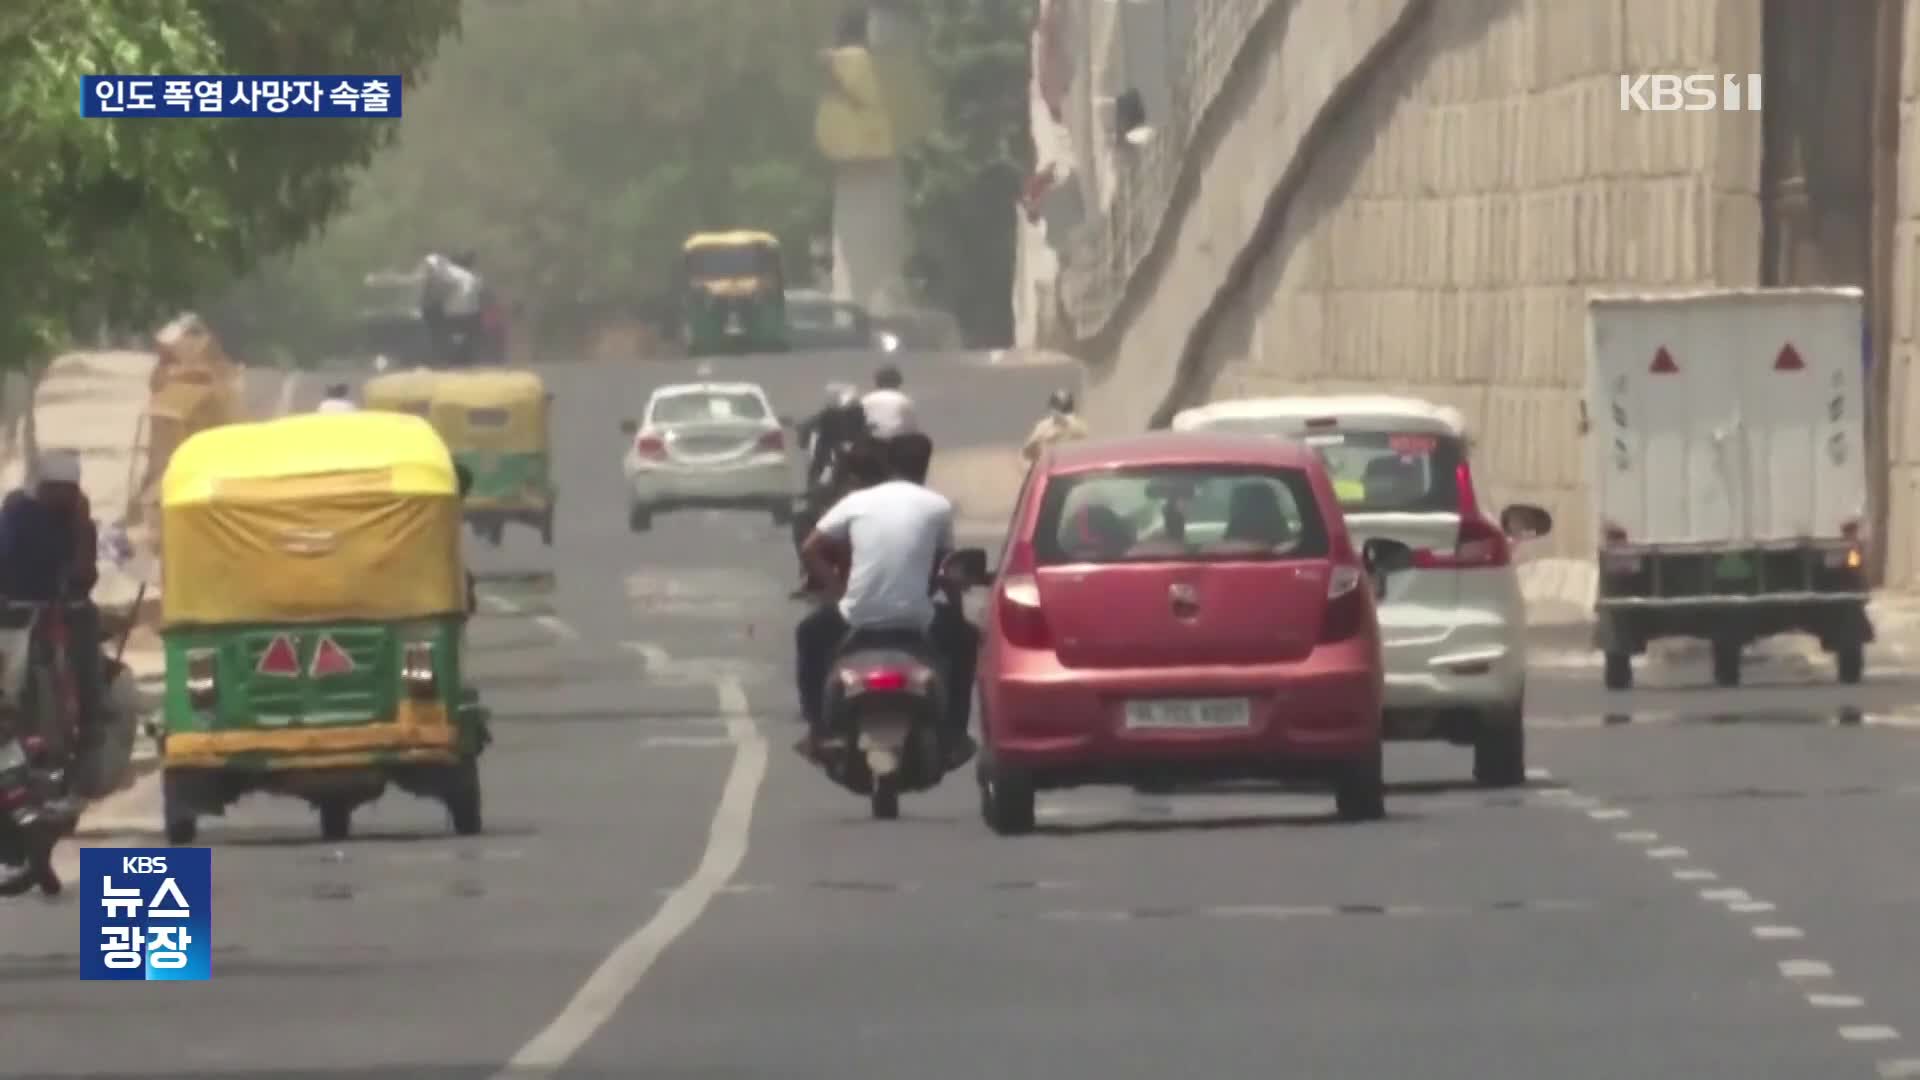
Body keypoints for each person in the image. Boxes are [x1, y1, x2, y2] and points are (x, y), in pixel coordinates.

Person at [793, 431, 976, 768]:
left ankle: (817, 729)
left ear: (889, 463)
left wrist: (838, 591)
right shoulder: (937, 506)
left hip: (855, 615)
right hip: (917, 619)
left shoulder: (856, 502)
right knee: (967, 642)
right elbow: (949, 570)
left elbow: (809, 548)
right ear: (925, 465)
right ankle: (954, 733)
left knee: (808, 635)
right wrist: (957, 615)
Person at [0, 450, 102, 757]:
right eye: (61, 488)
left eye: (71, 489)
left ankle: (89, 722)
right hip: (20, 609)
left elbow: (83, 573)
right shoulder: (20, 516)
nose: (68, 495)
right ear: (45, 487)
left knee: (83, 631)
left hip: (51, 609)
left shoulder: (76, 520)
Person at [412, 251, 485, 366]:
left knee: (448, 337)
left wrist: (435, 296)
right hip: (471, 312)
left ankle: (449, 359)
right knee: (464, 338)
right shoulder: (472, 276)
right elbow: (478, 293)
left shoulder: (451, 272)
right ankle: (463, 359)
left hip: (453, 312)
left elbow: (442, 287)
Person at [1022, 388, 1088, 464]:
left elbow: (1027, 451)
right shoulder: (1044, 426)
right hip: (1055, 467)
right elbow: (1028, 450)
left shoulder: (1077, 425)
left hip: (1069, 466)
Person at [860, 364, 917, 440]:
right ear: (898, 382)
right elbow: (911, 428)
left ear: (877, 381)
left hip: (871, 443)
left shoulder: (865, 400)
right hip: (896, 443)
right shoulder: (904, 400)